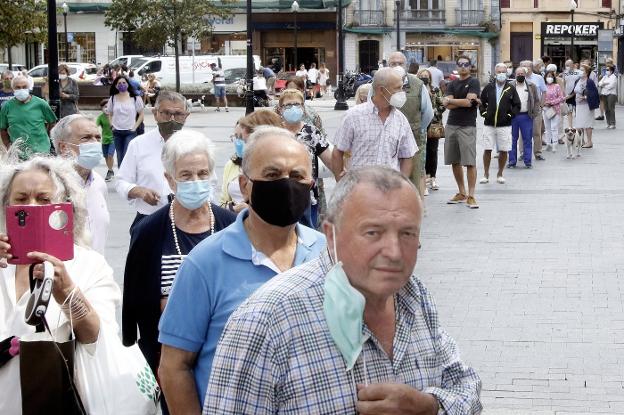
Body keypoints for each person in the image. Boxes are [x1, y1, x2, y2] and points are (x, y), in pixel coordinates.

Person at [203, 166, 483, 414]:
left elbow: (466, 385)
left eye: (407, 233)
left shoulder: (414, 296)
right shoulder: (267, 320)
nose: (394, 252)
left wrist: (430, 407)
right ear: (330, 234)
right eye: (373, 232)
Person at [158, 127, 327, 413]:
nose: (287, 185)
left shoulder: (327, 254)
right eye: (272, 175)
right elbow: (174, 366)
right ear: (245, 185)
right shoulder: (205, 263)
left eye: (298, 176)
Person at [0, 156, 151, 414]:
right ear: (7, 206)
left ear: (63, 207)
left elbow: (96, 338)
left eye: (44, 199)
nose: (32, 207)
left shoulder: (89, 264)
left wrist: (67, 291)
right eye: (22, 199)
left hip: (58, 400)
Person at [122, 130, 236, 412]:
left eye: (202, 173)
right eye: (186, 175)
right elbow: (135, 294)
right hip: (167, 353)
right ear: (169, 179)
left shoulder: (231, 226)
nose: (196, 181)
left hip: (225, 352)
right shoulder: (148, 231)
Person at [116, 91, 190, 234]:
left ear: (186, 115)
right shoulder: (138, 144)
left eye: (178, 114)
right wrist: (139, 191)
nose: (172, 119)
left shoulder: (196, 144)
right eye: (166, 113)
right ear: (155, 113)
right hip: (148, 220)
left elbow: (210, 184)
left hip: (187, 221)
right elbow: (121, 182)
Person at [332, 67, 417, 178]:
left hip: (389, 189)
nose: (402, 92)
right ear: (381, 90)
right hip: (360, 188)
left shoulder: (401, 120)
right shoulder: (353, 116)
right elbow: (338, 151)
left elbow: (407, 155)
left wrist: (401, 184)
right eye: (398, 88)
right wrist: (340, 181)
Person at [50, 114, 110, 255]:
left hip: (95, 272)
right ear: (64, 147)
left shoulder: (98, 183)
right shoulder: (48, 186)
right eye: (86, 138)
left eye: (97, 137)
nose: (95, 143)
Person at [277, 89, 336, 227]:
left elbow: (330, 160)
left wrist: (343, 174)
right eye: (288, 105)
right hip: (279, 194)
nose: (293, 108)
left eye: (297, 104)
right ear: (280, 109)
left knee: (308, 236)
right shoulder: (275, 131)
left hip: (306, 195)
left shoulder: (311, 131)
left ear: (303, 108)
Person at [388, 51, 433, 199]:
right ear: (387, 65)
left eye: (400, 63)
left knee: (414, 175)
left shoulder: (418, 84)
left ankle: (415, 209)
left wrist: (418, 128)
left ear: (406, 66)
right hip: (386, 139)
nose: (396, 66)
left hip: (413, 138)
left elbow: (427, 113)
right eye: (393, 64)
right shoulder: (379, 84)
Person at [220, 110, 284, 212]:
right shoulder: (233, 164)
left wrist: (251, 211)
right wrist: (233, 209)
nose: (241, 143)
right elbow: (222, 202)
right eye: (236, 137)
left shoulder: (285, 168)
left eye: (245, 139)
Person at [442, 55, 481, 208]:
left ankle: (471, 195)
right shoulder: (452, 83)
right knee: (454, 160)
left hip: (467, 126)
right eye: (460, 64)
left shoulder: (474, 82)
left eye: (466, 64)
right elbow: (449, 106)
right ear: (457, 66)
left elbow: (469, 102)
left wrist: (451, 100)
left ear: (470, 66)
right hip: (451, 124)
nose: (463, 66)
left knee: (469, 161)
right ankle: (461, 192)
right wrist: (463, 102)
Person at [479, 63, 520, 184]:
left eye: (503, 72)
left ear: (507, 73)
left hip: (504, 125)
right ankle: (486, 174)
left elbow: (517, 105)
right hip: (489, 124)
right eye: (499, 72)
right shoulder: (488, 87)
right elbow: (481, 102)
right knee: (487, 149)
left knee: (503, 150)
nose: (501, 74)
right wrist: (484, 113)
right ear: (495, 73)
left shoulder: (511, 88)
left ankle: (500, 174)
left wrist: (509, 115)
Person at [0, 75, 57, 158]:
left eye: (24, 87)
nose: (21, 90)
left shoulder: (41, 103)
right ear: (13, 89)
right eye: (18, 87)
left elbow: (52, 122)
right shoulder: (7, 106)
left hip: (41, 151)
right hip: (18, 154)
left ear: (29, 87)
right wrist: (9, 147)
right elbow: (2, 129)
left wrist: (47, 139)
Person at [106, 75, 144, 168]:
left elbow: (141, 114)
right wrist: (111, 125)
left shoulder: (135, 98)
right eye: (119, 83)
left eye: (124, 83)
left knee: (126, 155)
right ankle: (122, 178)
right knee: (119, 156)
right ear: (116, 85)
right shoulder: (113, 98)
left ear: (128, 84)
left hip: (130, 131)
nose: (121, 85)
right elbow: (109, 113)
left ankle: (128, 177)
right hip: (117, 132)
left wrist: (135, 127)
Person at [418, 68, 445, 191]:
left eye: (426, 75)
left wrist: (435, 111)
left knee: (432, 151)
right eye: (422, 75)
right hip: (420, 124)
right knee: (421, 151)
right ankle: (424, 177)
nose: (424, 77)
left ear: (430, 77)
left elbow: (442, 104)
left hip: (434, 124)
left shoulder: (435, 90)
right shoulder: (416, 90)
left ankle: (432, 177)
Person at [508, 67, 540, 168]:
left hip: (526, 116)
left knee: (527, 139)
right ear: (515, 74)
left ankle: (528, 161)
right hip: (513, 117)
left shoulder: (531, 86)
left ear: (525, 75)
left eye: (522, 74)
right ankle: (512, 161)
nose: (520, 75)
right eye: (518, 74)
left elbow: (536, 100)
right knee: (512, 139)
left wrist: (534, 113)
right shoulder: (509, 85)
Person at [520, 60, 546, 161]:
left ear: (532, 67)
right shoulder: (519, 78)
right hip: (523, 109)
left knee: (536, 132)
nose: (526, 68)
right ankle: (523, 152)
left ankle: (538, 153)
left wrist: (541, 105)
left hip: (536, 109)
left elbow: (544, 91)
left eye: (528, 66)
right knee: (523, 133)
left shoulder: (538, 78)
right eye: (524, 66)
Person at [574, 64, 599, 148]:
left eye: (582, 70)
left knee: (588, 124)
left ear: (586, 72)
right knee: (579, 124)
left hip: (587, 106)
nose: (580, 72)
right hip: (578, 105)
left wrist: (584, 97)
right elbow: (574, 91)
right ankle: (581, 141)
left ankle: (589, 141)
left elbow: (594, 94)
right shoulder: (578, 80)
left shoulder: (589, 82)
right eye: (579, 70)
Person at [542, 68, 566, 152]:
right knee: (547, 127)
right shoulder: (543, 86)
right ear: (545, 77)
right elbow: (541, 97)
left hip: (555, 109)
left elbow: (561, 97)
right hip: (545, 109)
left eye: (551, 76)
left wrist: (551, 102)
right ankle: (548, 144)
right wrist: (544, 103)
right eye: (548, 76)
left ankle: (554, 145)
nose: (549, 78)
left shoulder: (557, 86)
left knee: (554, 127)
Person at [96, 98, 115, 181]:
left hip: (113, 139)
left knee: (110, 155)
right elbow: (95, 126)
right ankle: (110, 170)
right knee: (106, 157)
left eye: (108, 106)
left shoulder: (114, 116)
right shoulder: (100, 117)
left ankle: (110, 171)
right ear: (102, 108)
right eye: (105, 106)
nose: (106, 108)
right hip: (104, 140)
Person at [561, 59, 581, 130]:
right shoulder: (565, 73)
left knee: (577, 110)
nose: (567, 67)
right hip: (568, 94)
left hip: (577, 94)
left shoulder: (579, 72)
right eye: (566, 65)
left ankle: (578, 126)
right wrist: (563, 93)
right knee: (569, 110)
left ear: (572, 65)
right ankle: (570, 126)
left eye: (568, 65)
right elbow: (563, 82)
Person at [598, 63, 617, 129]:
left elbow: (611, 86)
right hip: (604, 94)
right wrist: (604, 84)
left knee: (611, 108)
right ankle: (608, 123)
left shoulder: (614, 77)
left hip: (611, 94)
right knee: (606, 109)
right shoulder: (605, 76)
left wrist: (603, 85)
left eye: (607, 70)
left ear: (611, 71)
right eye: (606, 70)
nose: (606, 71)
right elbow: (599, 83)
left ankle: (613, 123)